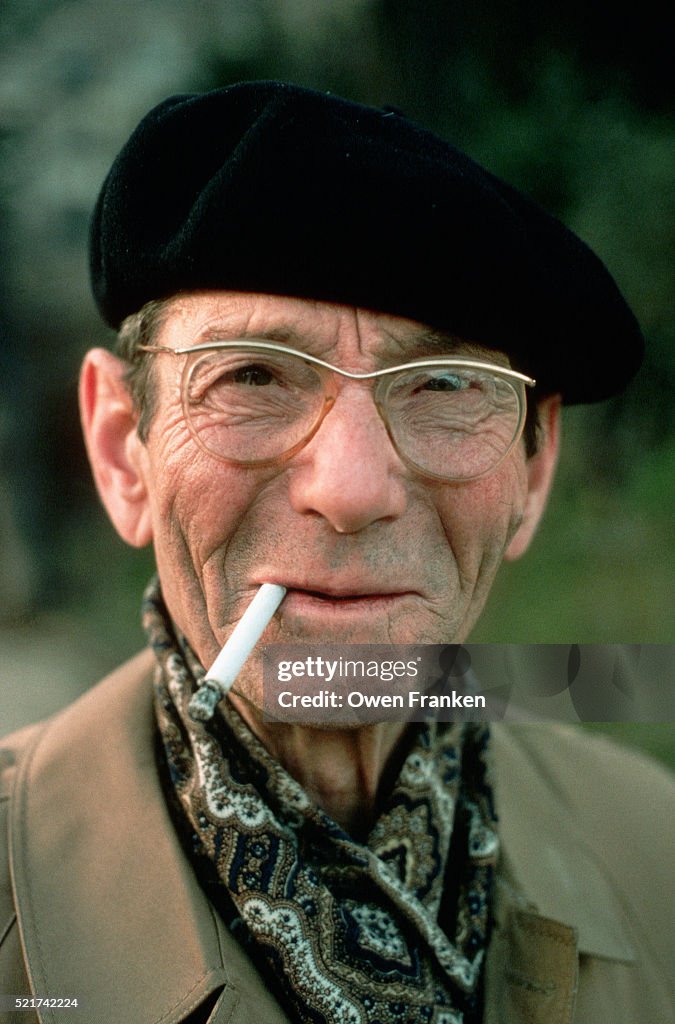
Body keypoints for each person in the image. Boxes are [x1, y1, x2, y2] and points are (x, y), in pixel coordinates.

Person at [0, 82, 672, 1024]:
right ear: (123, 451)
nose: (353, 489)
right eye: (251, 376)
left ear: (533, 466)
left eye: (441, 383)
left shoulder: (657, 851)